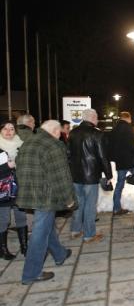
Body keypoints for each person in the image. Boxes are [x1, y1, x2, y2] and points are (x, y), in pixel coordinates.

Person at [15, 120, 75, 285]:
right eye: (60, 133)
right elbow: (61, 177)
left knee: (46, 227)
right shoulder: (53, 146)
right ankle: (31, 273)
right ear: (55, 131)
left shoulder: (29, 142)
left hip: (30, 192)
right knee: (40, 233)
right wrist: (69, 200)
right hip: (45, 196)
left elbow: (19, 167)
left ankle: (60, 254)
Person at [68, 109, 112, 243]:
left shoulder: (73, 133)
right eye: (97, 117)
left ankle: (75, 230)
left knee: (78, 203)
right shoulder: (97, 134)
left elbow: (68, 154)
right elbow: (103, 156)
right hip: (91, 175)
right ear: (93, 118)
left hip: (76, 174)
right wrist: (108, 174)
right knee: (90, 206)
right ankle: (89, 234)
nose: (97, 119)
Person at [0, 121, 28, 259]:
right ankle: (3, 250)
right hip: (2, 189)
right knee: (4, 219)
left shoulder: (21, 145)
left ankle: (25, 246)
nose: (8, 131)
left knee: (21, 217)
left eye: (11, 129)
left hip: (19, 187)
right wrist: (7, 166)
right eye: (5, 128)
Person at [109, 111, 134, 215]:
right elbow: (133, 144)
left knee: (119, 184)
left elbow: (111, 144)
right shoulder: (129, 129)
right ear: (128, 118)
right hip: (130, 160)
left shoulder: (115, 129)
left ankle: (116, 208)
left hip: (120, 162)